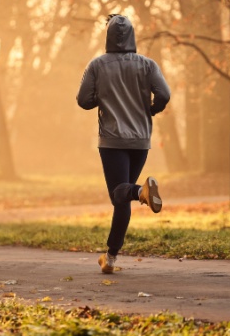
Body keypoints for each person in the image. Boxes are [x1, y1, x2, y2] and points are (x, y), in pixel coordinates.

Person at [76, 14, 171, 274]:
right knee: (122, 197)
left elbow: (83, 99)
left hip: (112, 139)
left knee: (120, 192)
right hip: (140, 140)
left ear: (107, 37)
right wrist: (150, 110)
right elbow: (164, 94)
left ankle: (142, 191)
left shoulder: (97, 65)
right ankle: (110, 257)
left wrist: (103, 96)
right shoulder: (147, 65)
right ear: (132, 35)